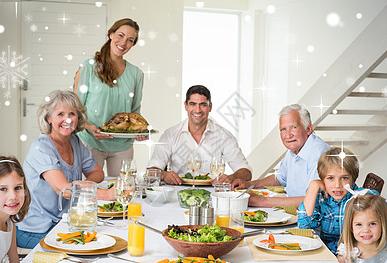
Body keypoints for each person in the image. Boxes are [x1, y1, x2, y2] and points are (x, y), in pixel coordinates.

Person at [16, 90, 115, 249]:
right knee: (90, 247)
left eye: (72, 114)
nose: (67, 119)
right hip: (36, 229)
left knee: (107, 239)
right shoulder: (40, 148)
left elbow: (98, 173)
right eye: (60, 114)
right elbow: (64, 190)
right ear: (48, 118)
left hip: (65, 223)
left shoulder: (75, 141)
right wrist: (108, 194)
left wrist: (83, 186)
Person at [73, 18, 144, 177]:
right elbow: (75, 109)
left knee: (120, 192)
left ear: (133, 44)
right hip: (90, 142)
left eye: (130, 40)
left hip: (122, 146)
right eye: (120, 35)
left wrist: (139, 131)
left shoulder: (136, 74)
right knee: (90, 191)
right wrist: (91, 128)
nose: (123, 43)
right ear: (111, 34)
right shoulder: (88, 67)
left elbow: (134, 111)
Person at [297, 147, 387, 254]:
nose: (337, 185)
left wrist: (376, 246)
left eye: (344, 178)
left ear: (353, 178)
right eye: (330, 178)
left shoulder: (364, 199)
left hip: (356, 255)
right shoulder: (320, 197)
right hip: (327, 253)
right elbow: (304, 226)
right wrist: (313, 186)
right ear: (323, 179)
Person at [147, 85, 252, 185]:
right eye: (192, 104)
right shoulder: (170, 134)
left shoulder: (224, 136)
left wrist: (231, 177)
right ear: (186, 106)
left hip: (213, 194)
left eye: (203, 105)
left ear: (210, 107)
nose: (198, 110)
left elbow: (246, 172)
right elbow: (150, 171)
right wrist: (164, 174)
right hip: (177, 193)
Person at [232, 104, 330, 207]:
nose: (288, 135)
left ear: (308, 129)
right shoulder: (294, 150)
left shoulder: (319, 153)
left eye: (294, 127)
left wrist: (262, 201)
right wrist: (249, 185)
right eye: (283, 129)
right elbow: (280, 177)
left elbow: (314, 200)